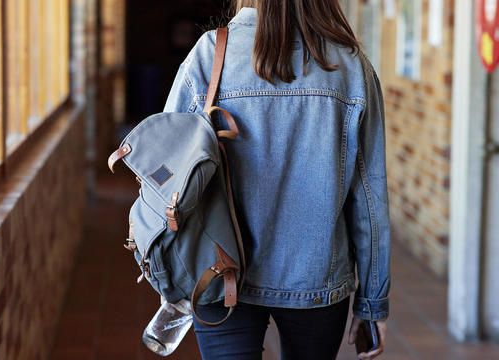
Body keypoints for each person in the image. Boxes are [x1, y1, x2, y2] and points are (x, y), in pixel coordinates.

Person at [163, 1, 391, 359]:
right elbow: (369, 199)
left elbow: (166, 175)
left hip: (219, 274)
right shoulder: (350, 66)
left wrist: (169, 277)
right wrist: (372, 303)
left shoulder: (210, 54)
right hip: (316, 280)